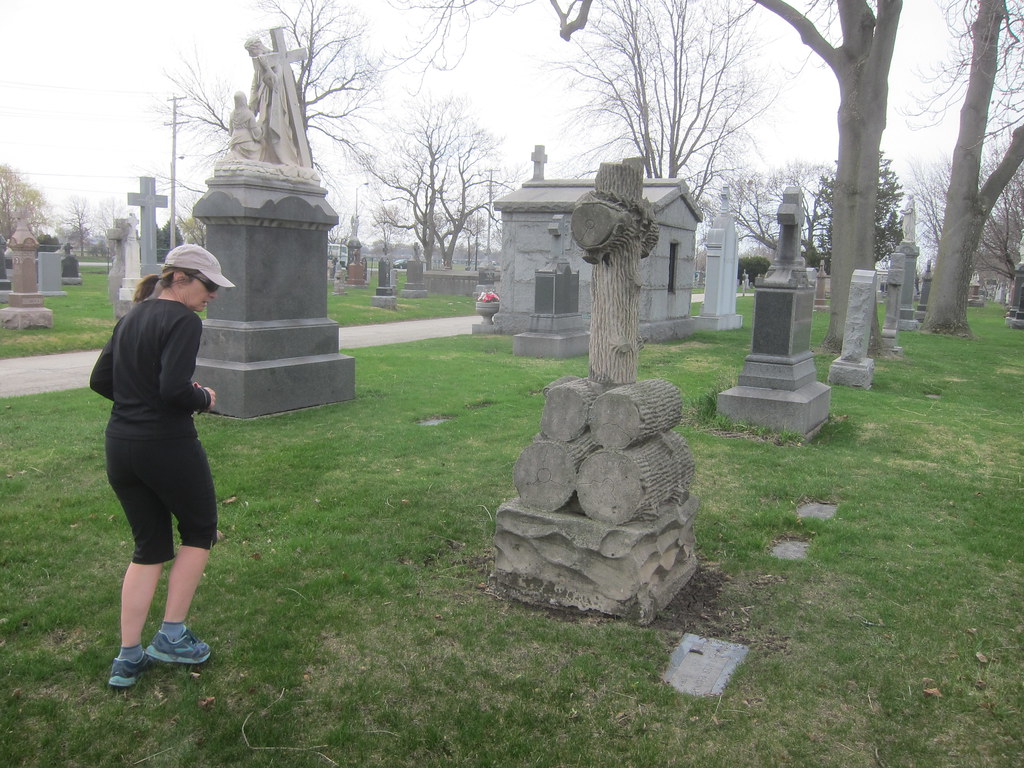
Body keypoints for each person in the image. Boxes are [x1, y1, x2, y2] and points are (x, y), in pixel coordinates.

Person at [90, 244, 235, 689]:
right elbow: (175, 389)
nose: (212, 296)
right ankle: (172, 636)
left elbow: (101, 380)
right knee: (199, 529)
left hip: (121, 445)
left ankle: (128, 657)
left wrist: (139, 404)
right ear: (180, 278)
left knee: (148, 546)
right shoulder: (183, 320)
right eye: (208, 286)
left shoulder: (131, 317)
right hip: (166, 444)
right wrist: (203, 399)